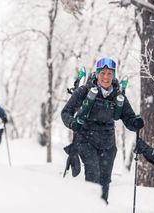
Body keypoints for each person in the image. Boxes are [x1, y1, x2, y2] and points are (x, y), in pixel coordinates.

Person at [61, 58, 144, 204]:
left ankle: (101, 207)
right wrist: (72, 123)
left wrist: (135, 123)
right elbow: (66, 112)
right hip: (86, 139)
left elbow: (129, 119)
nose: (106, 77)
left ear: (113, 75)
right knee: (93, 176)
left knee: (104, 182)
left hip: (107, 143)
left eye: (109, 74)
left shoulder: (118, 95)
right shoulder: (84, 91)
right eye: (103, 73)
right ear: (97, 74)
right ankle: (89, 207)